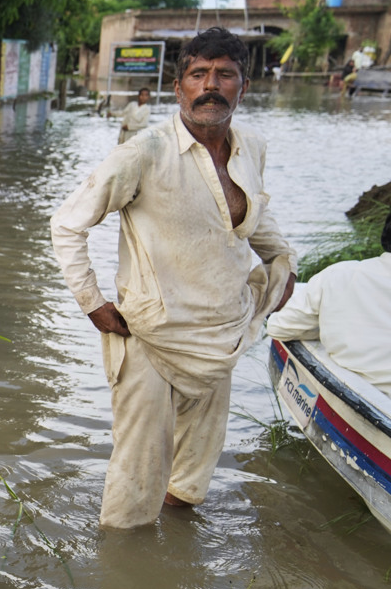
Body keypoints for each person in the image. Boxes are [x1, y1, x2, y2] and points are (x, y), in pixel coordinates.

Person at [49, 26, 298, 529]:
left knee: (189, 481)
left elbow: (252, 216)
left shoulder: (251, 147)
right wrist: (93, 303)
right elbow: (66, 223)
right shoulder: (145, 152)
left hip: (221, 337)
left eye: (224, 74)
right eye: (198, 74)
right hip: (151, 340)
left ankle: (173, 567)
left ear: (242, 87)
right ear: (178, 87)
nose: (212, 85)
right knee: (133, 491)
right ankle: (122, 585)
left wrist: (282, 262)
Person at [266, 214, 391, 396]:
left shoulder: (339, 274)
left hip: (362, 392)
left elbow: (278, 328)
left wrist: (323, 329)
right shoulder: (341, 274)